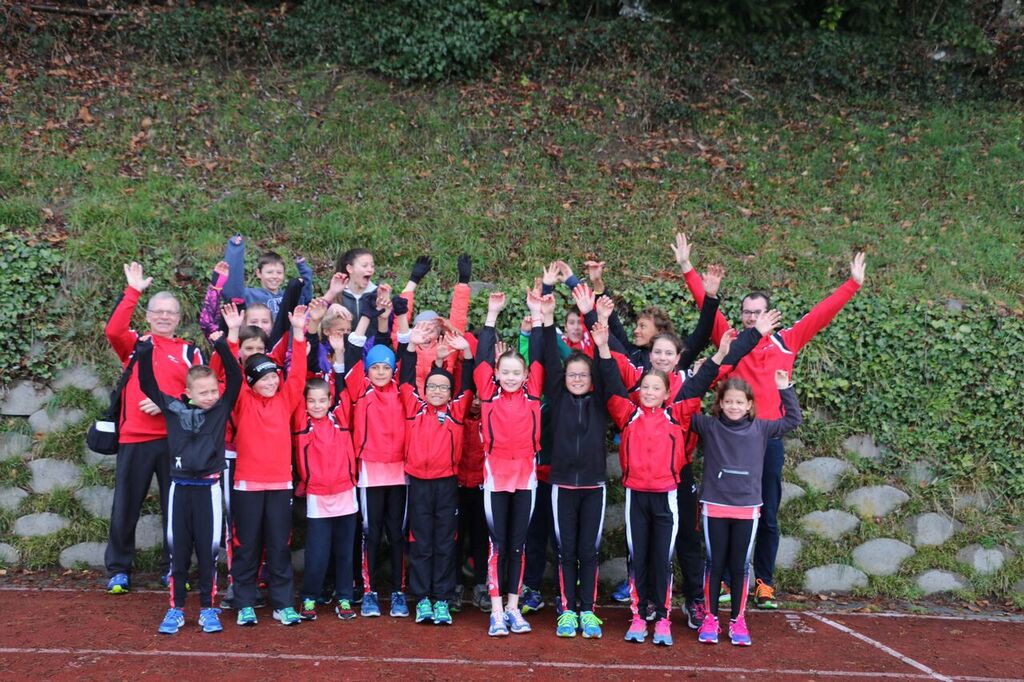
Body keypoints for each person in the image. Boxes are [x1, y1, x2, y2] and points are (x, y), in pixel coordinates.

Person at [677, 233, 866, 608]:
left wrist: (853, 284)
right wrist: (686, 267)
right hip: (727, 441)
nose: (751, 317)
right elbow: (705, 304)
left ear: (770, 314)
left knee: (766, 513)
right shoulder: (733, 340)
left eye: (757, 312)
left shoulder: (787, 342)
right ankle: (725, 580)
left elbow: (821, 314)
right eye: (746, 312)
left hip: (767, 440)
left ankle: (763, 582)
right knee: (722, 513)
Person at [593, 305, 778, 647]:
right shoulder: (632, 400)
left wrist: (749, 336)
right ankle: (644, 607)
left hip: (677, 476)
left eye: (669, 353)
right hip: (640, 486)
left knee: (688, 542)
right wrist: (600, 332)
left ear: (678, 358)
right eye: (657, 352)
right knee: (642, 549)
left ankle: (693, 602)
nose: (662, 358)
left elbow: (711, 372)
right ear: (649, 358)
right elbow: (609, 372)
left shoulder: (682, 400)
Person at [104, 262, 203, 594]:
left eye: (170, 312)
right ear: (147, 316)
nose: (164, 317)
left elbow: (204, 395)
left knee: (176, 510)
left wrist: (168, 403)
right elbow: (113, 330)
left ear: (178, 318)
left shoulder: (189, 352)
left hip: (176, 441)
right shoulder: (135, 343)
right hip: (134, 438)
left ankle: (174, 568)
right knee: (125, 506)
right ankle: (119, 569)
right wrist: (133, 291)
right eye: (158, 311)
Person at [136, 333, 241, 635]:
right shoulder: (174, 409)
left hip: (209, 490)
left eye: (213, 390)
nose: (210, 396)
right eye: (203, 392)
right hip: (179, 490)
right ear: (188, 392)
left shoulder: (221, 408)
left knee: (208, 553)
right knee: (178, 552)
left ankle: (208, 608)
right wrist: (144, 351)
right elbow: (147, 385)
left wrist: (222, 345)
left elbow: (235, 378)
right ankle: (176, 609)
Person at [694, 371, 802, 646]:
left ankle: (737, 620)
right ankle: (710, 619)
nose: (734, 406)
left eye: (739, 402)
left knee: (740, 565)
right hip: (715, 506)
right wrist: (697, 378)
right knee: (714, 564)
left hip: (747, 507)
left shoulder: (762, 428)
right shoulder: (709, 426)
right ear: (720, 403)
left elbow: (793, 420)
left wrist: (784, 388)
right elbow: (683, 410)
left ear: (749, 405)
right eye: (728, 401)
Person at [230, 305, 309, 627]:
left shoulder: (285, 399)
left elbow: (299, 374)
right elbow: (232, 373)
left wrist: (299, 333)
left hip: (279, 486)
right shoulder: (241, 400)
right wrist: (233, 335)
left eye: (274, 376)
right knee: (247, 546)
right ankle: (245, 603)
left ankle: (283, 604)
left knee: (279, 546)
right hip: (247, 485)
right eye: (263, 378)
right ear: (251, 381)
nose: (271, 381)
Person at [474, 290, 546, 636]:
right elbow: (481, 357)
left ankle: (514, 608)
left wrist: (537, 314)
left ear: (527, 375)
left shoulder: (533, 394)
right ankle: (497, 611)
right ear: (497, 373)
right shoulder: (488, 394)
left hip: (525, 479)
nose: (512, 377)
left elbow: (541, 353)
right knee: (497, 546)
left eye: (517, 372)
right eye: (506, 372)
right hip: (496, 479)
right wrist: (492, 314)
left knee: (518, 545)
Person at [540, 292, 609, 639]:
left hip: (594, 486)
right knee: (566, 551)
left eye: (583, 375)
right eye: (572, 375)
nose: (578, 379)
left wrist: (598, 332)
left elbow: (606, 369)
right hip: (563, 485)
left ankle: (588, 611)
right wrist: (547, 319)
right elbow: (549, 357)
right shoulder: (558, 397)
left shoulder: (600, 401)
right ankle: (567, 609)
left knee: (588, 551)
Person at [341, 288, 412, 618]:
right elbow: (354, 350)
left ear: (393, 369)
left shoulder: (402, 389)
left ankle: (398, 591)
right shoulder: (360, 389)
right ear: (367, 371)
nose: (381, 372)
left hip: (400, 472)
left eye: (386, 367)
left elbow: (407, 350)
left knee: (396, 534)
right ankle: (369, 590)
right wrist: (366, 317)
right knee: (370, 534)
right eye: (375, 367)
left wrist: (401, 317)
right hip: (370, 471)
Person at [400, 324, 475, 625]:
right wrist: (411, 346)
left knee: (445, 542)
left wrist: (466, 352)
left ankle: (442, 599)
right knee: (420, 542)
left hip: (446, 485)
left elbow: (468, 384)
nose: (437, 391)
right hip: (418, 484)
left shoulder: (456, 411)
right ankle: (422, 599)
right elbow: (405, 379)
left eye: (443, 387)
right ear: (425, 389)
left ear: (450, 392)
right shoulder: (414, 408)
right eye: (432, 386)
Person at [294, 374, 360, 622]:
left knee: (344, 552)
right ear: (304, 402)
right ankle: (309, 597)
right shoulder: (302, 424)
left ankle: (344, 597)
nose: (317, 405)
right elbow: (294, 387)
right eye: (311, 401)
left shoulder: (340, 419)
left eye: (322, 400)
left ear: (331, 401)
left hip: (345, 495)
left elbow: (345, 392)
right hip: (318, 497)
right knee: (317, 553)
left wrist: (339, 362)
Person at [223, 234, 314, 318]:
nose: (275, 276)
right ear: (259, 273)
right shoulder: (250, 295)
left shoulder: (288, 296)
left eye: (279, 272)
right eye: (269, 272)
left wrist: (303, 269)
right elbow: (233, 290)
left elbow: (305, 298)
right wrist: (235, 250)